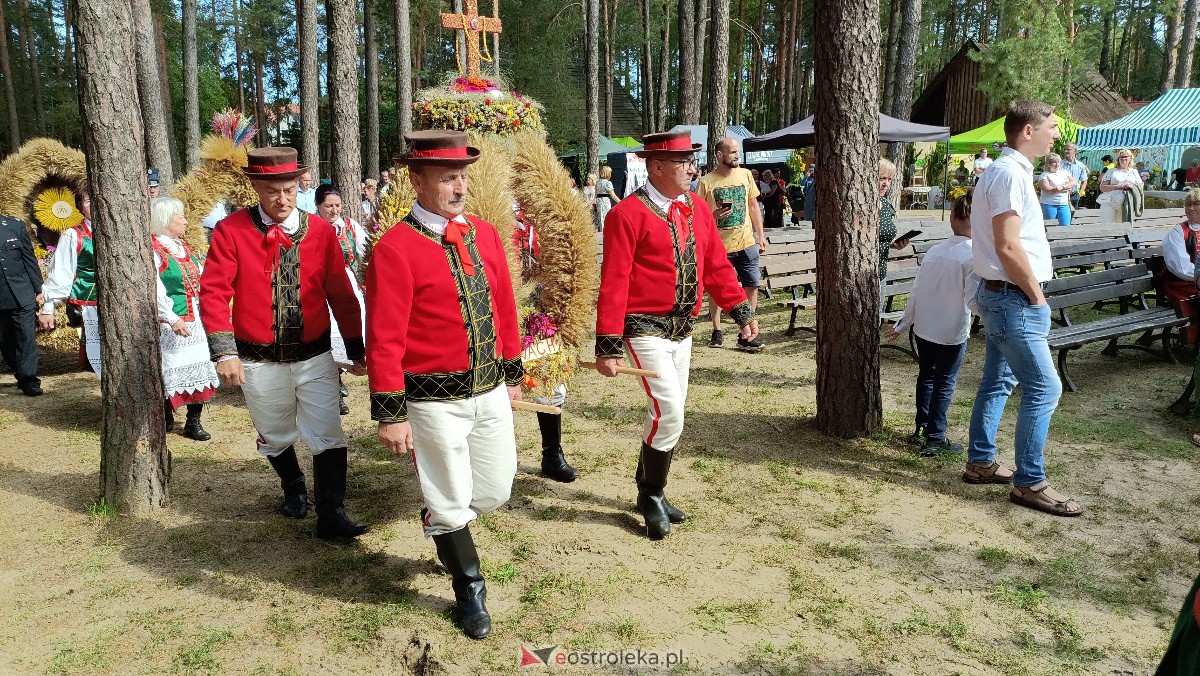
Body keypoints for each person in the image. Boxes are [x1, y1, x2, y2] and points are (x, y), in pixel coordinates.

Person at [368, 130, 525, 640]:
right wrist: (390, 412)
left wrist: (512, 373)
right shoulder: (395, 247)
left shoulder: (484, 233)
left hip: (489, 391)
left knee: (497, 488)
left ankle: (441, 519)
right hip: (432, 401)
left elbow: (504, 306)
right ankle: (470, 589)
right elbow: (385, 337)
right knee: (452, 498)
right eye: (447, 179)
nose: (459, 188)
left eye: (462, 177)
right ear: (417, 181)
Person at [593, 129, 759, 540]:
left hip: (683, 328)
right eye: (684, 162)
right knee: (670, 412)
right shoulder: (626, 214)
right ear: (657, 167)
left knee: (669, 413)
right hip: (643, 327)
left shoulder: (698, 209)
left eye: (692, 160)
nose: (691, 167)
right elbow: (614, 281)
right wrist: (608, 344)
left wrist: (740, 309)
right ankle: (651, 495)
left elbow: (716, 265)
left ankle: (652, 489)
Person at [199, 146, 369, 539]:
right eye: (272, 190)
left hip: (314, 356)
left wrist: (356, 348)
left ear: (298, 187)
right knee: (275, 432)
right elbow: (213, 293)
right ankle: (293, 487)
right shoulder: (231, 231)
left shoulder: (322, 232)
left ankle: (332, 513)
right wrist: (224, 352)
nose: (282, 199)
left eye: (289, 189)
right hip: (258, 359)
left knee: (328, 431)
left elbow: (341, 294)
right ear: (256, 186)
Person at [966, 100, 1082, 517]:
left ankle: (980, 462)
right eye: (1051, 126)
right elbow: (1008, 245)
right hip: (1013, 296)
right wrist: (1036, 295)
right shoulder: (1010, 173)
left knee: (999, 381)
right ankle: (1029, 483)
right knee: (1045, 387)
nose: (1057, 133)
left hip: (1005, 294)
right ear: (1028, 131)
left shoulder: (1007, 171)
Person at [888, 194, 977, 456]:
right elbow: (973, 299)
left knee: (927, 377)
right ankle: (935, 436)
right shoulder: (972, 256)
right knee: (944, 381)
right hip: (951, 331)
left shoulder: (935, 252)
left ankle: (921, 428)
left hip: (924, 328)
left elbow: (915, 292)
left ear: (951, 219)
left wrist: (904, 323)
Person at [150, 197, 220, 440]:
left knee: (200, 365)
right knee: (168, 368)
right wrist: (171, 317)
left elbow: (200, 278)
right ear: (166, 219)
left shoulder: (183, 247)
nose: (185, 221)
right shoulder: (154, 250)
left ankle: (193, 421)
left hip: (195, 319)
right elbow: (155, 288)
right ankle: (166, 413)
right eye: (180, 216)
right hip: (171, 322)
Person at [697, 137, 767, 352]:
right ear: (719, 155)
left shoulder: (746, 175)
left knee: (751, 286)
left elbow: (753, 206)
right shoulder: (706, 182)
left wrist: (761, 236)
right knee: (717, 291)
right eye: (733, 152)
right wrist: (714, 215)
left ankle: (745, 333)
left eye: (738, 152)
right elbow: (699, 215)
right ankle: (717, 330)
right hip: (719, 248)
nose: (737, 155)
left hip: (746, 243)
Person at [314, 183, 369, 415]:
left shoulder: (349, 226)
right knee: (327, 338)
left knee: (350, 332)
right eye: (329, 206)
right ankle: (334, 390)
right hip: (318, 287)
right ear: (318, 206)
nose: (334, 210)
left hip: (346, 284)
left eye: (337, 205)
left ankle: (341, 378)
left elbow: (366, 251)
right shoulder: (311, 228)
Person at [39, 188, 101, 376]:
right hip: (88, 300)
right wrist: (48, 308)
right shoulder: (73, 235)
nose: (93, 205)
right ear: (80, 207)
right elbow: (61, 272)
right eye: (88, 201)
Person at [0, 215, 43, 396]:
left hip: (22, 291)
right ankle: (21, 372)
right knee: (5, 340)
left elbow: (28, 257)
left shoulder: (14, 225)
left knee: (26, 337)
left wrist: (39, 288)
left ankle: (29, 380)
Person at [1161, 191, 1200, 304]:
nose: (1191, 208)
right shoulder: (1178, 232)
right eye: (1188, 204)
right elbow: (1181, 268)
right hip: (1183, 285)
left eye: (1196, 204)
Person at [877, 159, 912, 281]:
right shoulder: (861, 205)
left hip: (881, 271)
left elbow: (882, 238)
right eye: (882, 178)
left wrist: (894, 244)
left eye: (889, 179)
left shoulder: (886, 204)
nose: (886, 183)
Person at [1098, 148, 1143, 224]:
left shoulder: (1134, 172)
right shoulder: (1111, 171)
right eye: (1121, 157)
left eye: (1126, 157)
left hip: (1126, 204)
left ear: (1130, 158)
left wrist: (1132, 186)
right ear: (1118, 159)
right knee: (1107, 227)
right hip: (1110, 203)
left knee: (1122, 229)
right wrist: (1119, 186)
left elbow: (1140, 187)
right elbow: (1102, 188)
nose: (1123, 159)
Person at [1037, 152, 1076, 226]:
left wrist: (1062, 186)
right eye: (1054, 162)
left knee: (1066, 226)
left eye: (1058, 162)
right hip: (1048, 204)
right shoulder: (1044, 175)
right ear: (1048, 164)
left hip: (1064, 204)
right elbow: (1048, 190)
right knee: (1049, 226)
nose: (1057, 164)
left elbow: (1073, 182)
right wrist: (1065, 189)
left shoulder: (1064, 173)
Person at [1059, 143, 1089, 211]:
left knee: (1073, 216)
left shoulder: (1080, 165)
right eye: (1065, 149)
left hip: (1074, 195)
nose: (1066, 151)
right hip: (1062, 195)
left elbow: (1084, 180)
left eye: (1068, 149)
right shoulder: (1060, 164)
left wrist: (1080, 193)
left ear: (1075, 151)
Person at [595, 166, 618, 232]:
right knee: (606, 219)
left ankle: (602, 234)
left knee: (601, 219)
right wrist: (621, 202)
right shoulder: (608, 183)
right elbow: (613, 196)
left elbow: (596, 195)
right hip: (605, 202)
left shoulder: (598, 182)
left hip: (599, 202)